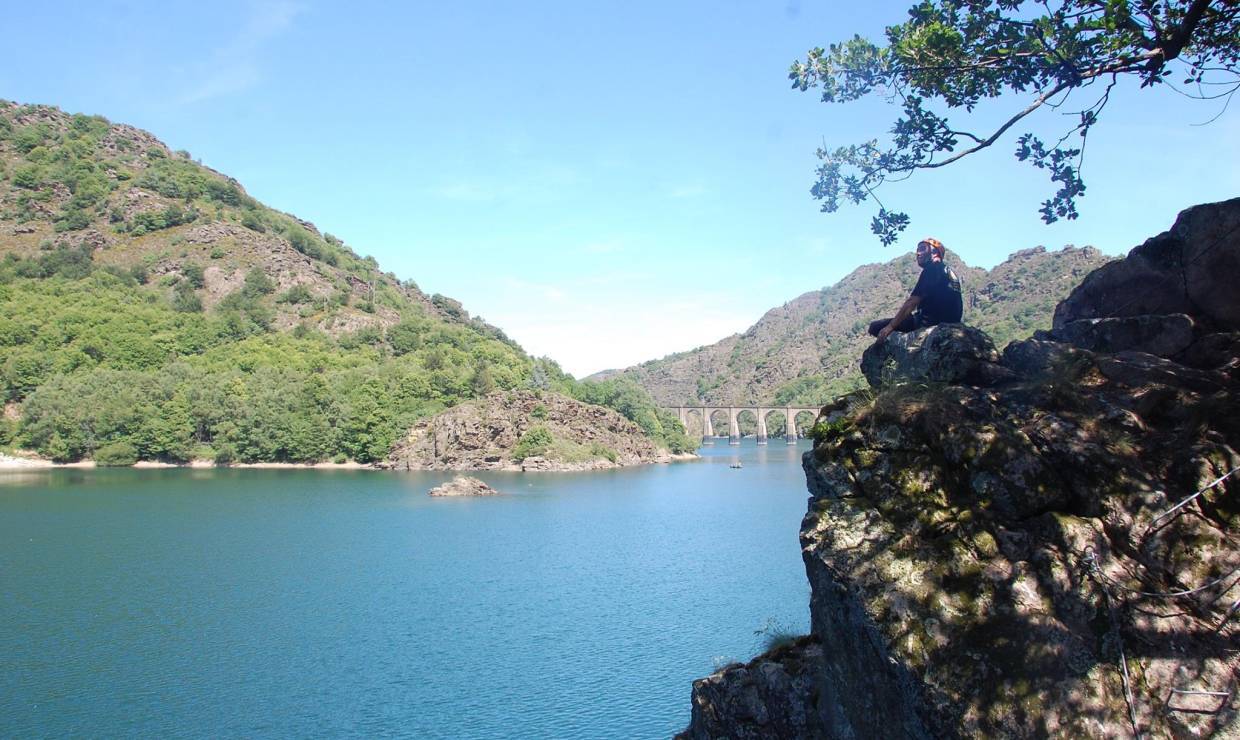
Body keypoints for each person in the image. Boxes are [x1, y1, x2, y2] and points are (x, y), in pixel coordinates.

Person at [868, 237, 963, 341]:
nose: (918, 253)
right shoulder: (947, 271)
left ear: (935, 252)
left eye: (922, 248)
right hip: (952, 321)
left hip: (930, 322)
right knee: (906, 317)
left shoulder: (932, 269)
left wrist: (890, 327)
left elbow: (912, 302)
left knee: (874, 327)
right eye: (917, 250)